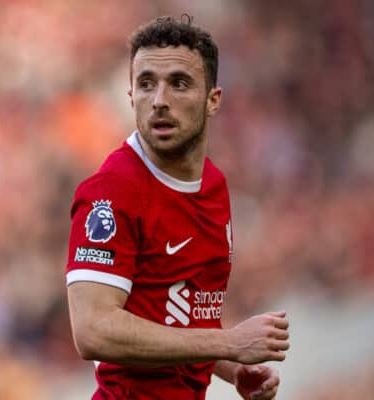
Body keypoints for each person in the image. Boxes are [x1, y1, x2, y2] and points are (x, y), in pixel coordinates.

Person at [65, 15, 289, 400]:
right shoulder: (111, 193)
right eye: (146, 84)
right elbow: (92, 330)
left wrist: (234, 369)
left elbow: (181, 313)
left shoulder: (214, 185)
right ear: (131, 96)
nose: (160, 101)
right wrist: (228, 343)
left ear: (213, 100)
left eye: (179, 84)